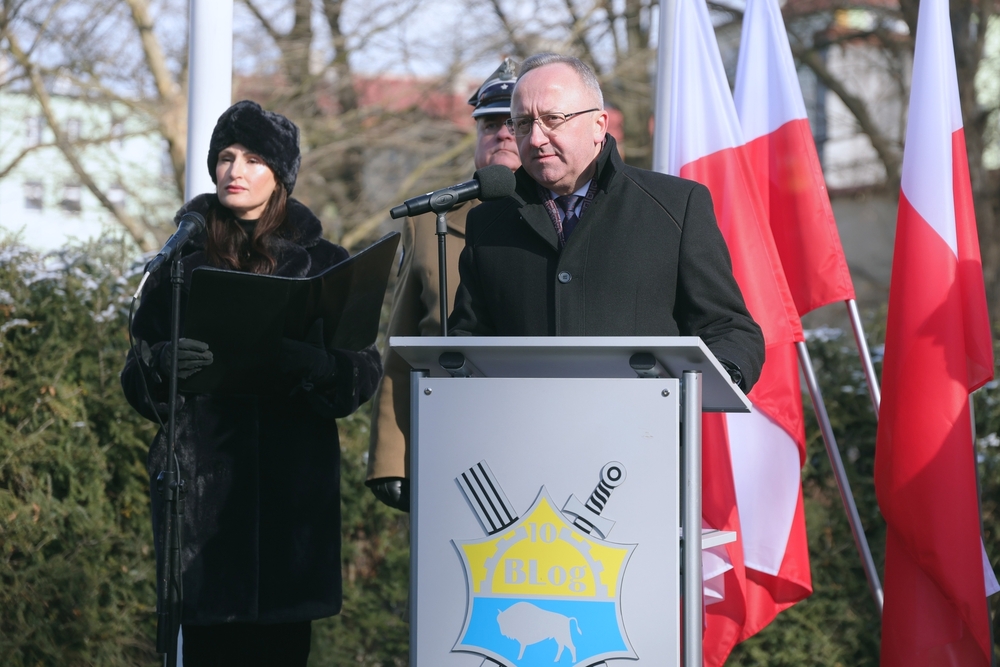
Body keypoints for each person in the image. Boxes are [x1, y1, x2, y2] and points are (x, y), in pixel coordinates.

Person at [120, 100, 382, 666]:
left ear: (280, 175)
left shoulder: (324, 262)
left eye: (254, 159)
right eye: (226, 157)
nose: (235, 170)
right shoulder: (180, 263)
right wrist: (162, 364)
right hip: (204, 514)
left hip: (292, 512)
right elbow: (135, 377)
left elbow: (363, 371)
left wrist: (319, 367)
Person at [449, 53, 765, 392]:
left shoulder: (675, 206)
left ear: (599, 125)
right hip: (523, 422)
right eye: (523, 124)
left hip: (644, 421)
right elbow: (468, 341)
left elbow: (729, 328)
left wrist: (716, 377)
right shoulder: (488, 221)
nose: (536, 138)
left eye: (553, 119)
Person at [365, 59, 520, 511]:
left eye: (514, 123)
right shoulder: (430, 222)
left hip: (537, 430)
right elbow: (401, 348)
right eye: (489, 125)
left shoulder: (567, 219)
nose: (502, 134)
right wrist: (392, 460)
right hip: (451, 441)